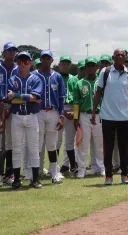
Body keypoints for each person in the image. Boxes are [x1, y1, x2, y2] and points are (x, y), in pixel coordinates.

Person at [93, 48, 128, 185]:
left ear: (125, 58)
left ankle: (125, 174)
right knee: (108, 147)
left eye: (122, 55)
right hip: (108, 116)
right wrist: (94, 111)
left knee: (124, 148)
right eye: (117, 55)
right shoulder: (105, 72)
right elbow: (99, 92)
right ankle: (108, 176)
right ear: (113, 57)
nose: (119, 57)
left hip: (125, 116)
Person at [7, 52, 43, 189]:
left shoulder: (36, 79)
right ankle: (16, 179)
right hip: (16, 115)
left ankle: (35, 179)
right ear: (17, 63)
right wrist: (28, 97)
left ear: (31, 63)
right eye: (20, 61)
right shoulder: (12, 79)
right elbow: (9, 98)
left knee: (34, 148)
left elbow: (36, 98)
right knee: (17, 149)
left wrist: (17, 95)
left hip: (32, 115)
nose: (23, 64)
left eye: (26, 61)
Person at [33, 50, 65, 184]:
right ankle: (33, 173)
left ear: (52, 60)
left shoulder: (57, 76)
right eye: (44, 58)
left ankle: (54, 173)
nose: (46, 60)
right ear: (40, 59)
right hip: (38, 112)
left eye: (48, 58)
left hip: (53, 111)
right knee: (37, 144)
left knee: (52, 144)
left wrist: (62, 115)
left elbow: (61, 97)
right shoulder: (33, 75)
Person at [73, 56, 105, 178]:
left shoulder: (101, 82)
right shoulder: (79, 83)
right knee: (83, 143)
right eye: (89, 66)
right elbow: (76, 102)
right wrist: (76, 119)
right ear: (85, 68)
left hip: (99, 115)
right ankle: (81, 169)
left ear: (97, 67)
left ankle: (101, 167)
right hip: (84, 115)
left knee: (99, 143)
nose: (91, 68)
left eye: (93, 65)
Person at [0, 42, 18, 186]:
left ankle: (9, 174)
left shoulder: (18, 69)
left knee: (10, 142)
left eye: (14, 50)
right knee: (0, 142)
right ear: (4, 52)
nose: (12, 53)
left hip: (13, 108)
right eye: (9, 50)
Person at [58, 55, 78, 175]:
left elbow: (77, 97)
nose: (65, 65)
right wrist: (63, 112)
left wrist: (74, 112)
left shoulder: (74, 79)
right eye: (63, 63)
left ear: (70, 65)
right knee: (57, 140)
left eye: (67, 63)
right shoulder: (55, 77)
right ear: (59, 64)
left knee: (70, 140)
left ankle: (72, 166)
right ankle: (53, 168)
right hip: (59, 110)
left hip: (71, 109)